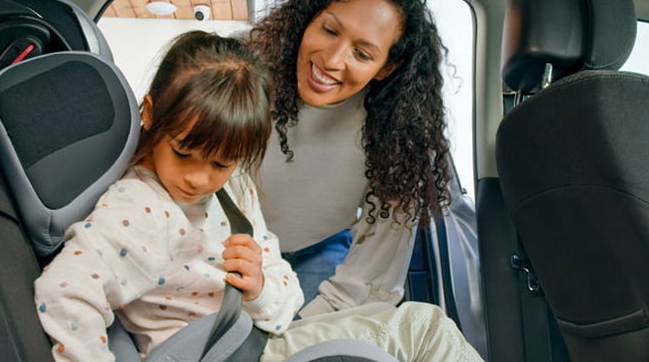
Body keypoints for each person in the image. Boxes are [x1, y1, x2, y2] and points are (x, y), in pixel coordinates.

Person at [33, 31, 481, 362]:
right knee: (424, 329)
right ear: (150, 114)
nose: (198, 179)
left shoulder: (234, 189)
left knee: (424, 326)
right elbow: (64, 291)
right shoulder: (139, 208)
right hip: (222, 353)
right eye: (183, 152)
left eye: (221, 162)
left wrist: (260, 288)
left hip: (258, 340)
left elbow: (285, 303)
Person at [249, 0, 454, 318]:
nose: (331, 60)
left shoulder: (399, 137)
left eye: (362, 54)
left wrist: (302, 329)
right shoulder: (244, 69)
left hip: (320, 249)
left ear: (387, 67)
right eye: (329, 30)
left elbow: (371, 277)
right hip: (230, 239)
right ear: (309, 17)